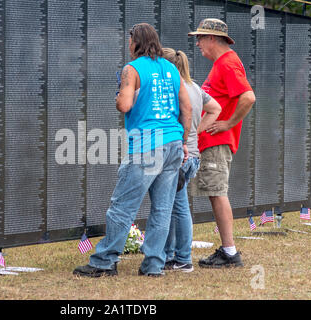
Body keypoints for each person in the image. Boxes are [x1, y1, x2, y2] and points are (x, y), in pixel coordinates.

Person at [73, 23, 193, 277]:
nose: (128, 46)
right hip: (173, 142)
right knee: (162, 208)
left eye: (129, 41)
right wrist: (182, 140)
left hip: (147, 146)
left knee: (122, 206)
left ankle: (104, 262)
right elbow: (187, 108)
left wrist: (118, 94)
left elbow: (125, 105)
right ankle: (154, 265)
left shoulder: (132, 69)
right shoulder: (172, 68)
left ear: (136, 42)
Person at [188, 18, 256, 268]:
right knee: (214, 193)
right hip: (212, 141)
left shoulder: (227, 63)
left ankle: (229, 252)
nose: (197, 44)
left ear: (212, 39)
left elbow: (248, 97)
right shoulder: (223, 63)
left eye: (200, 38)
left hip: (218, 141)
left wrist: (227, 124)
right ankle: (227, 250)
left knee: (217, 193)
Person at [161, 48, 221, 272]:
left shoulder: (174, 88)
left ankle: (180, 257)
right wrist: (198, 130)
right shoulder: (195, 87)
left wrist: (189, 134)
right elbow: (215, 108)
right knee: (176, 205)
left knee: (174, 207)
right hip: (193, 154)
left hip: (181, 153)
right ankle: (174, 256)